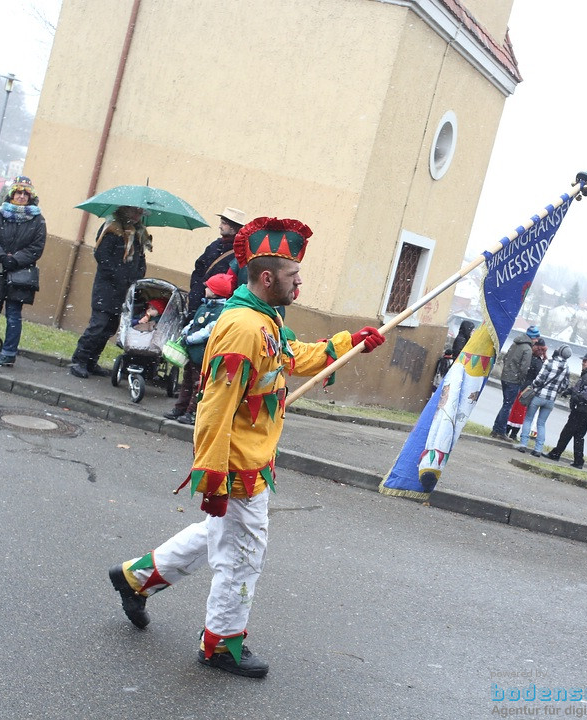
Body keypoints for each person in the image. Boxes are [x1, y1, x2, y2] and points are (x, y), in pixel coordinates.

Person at [108, 216, 386, 677]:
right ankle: (220, 645)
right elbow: (214, 408)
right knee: (243, 553)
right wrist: (212, 478)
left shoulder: (266, 320)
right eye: (294, 276)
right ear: (266, 277)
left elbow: (290, 360)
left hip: (252, 460)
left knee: (219, 536)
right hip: (236, 465)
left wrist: (346, 344)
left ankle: (136, 578)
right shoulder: (242, 328)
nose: (300, 284)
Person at [69, 205, 151, 378]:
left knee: (109, 328)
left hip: (125, 290)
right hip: (107, 287)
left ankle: (91, 361)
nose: (138, 215)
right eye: (135, 211)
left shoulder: (138, 234)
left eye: (140, 212)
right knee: (98, 325)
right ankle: (79, 360)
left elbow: (140, 259)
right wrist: (119, 276)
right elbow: (102, 256)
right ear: (125, 209)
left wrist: (137, 276)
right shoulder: (112, 228)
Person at [0, 176, 47, 366]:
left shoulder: (38, 220)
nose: (22, 196)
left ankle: (8, 353)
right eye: (18, 192)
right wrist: (1, 256)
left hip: (19, 274)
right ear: (12, 194)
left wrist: (15, 260)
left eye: (26, 193)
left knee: (13, 315)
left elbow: (36, 248)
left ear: (31, 197)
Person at [163, 272, 230, 425]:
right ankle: (180, 408)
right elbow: (195, 323)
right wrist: (186, 330)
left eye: (208, 287)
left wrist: (191, 338)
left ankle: (192, 412)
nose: (205, 289)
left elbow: (208, 331)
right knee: (187, 381)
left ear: (215, 292)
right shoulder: (204, 305)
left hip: (203, 354)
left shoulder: (221, 312)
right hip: (193, 353)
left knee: (198, 385)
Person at [514, 344, 572, 456]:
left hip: (539, 396)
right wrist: (555, 390)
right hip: (550, 400)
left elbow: (539, 379)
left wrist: (534, 386)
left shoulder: (549, 362)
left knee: (528, 419)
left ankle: (523, 444)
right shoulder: (566, 368)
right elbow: (565, 385)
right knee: (541, 424)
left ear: (559, 352)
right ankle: (538, 449)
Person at [545, 353, 587, 468]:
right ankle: (578, 461)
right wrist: (570, 391)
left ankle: (556, 454)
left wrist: (574, 399)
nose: (583, 362)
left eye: (585, 361)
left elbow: (586, 394)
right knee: (579, 436)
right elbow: (579, 389)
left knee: (567, 433)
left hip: (582, 411)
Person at [187, 207, 245, 314]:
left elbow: (235, 282)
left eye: (223, 223)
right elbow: (199, 266)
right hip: (198, 300)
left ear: (233, 228)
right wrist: (196, 288)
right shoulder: (215, 245)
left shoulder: (240, 252)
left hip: (216, 307)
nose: (220, 226)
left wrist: (217, 293)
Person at [491, 325, 540, 439]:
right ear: (532, 337)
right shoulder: (527, 349)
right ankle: (501, 431)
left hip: (505, 376)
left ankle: (496, 429)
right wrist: (521, 379)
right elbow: (524, 368)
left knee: (505, 404)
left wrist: (508, 370)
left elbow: (505, 358)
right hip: (514, 380)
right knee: (508, 405)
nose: (537, 340)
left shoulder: (515, 343)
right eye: (536, 337)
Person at [506, 338, 545, 441]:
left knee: (513, 410)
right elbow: (538, 377)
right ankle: (513, 433)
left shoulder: (528, 357)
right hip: (527, 389)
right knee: (520, 412)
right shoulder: (538, 362)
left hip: (519, 385)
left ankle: (507, 429)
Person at [431, 320, 474, 395]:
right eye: (471, 330)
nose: (472, 332)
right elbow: (458, 353)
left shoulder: (463, 338)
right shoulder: (461, 339)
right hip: (457, 366)